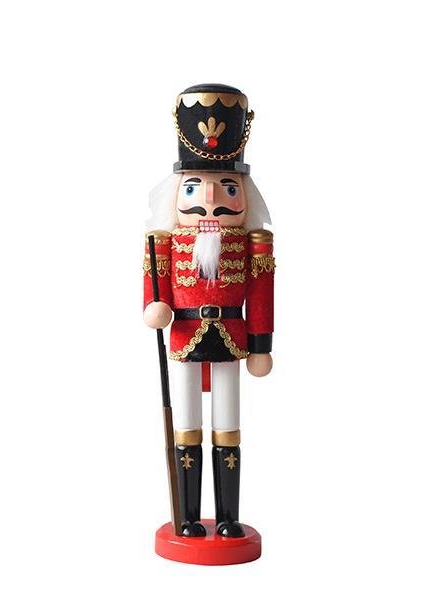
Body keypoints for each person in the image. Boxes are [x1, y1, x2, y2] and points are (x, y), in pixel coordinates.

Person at [143, 84, 274, 538]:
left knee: (228, 425)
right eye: (194, 186)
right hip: (183, 337)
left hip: (233, 339)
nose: (210, 199)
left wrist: (260, 345)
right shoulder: (164, 241)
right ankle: (186, 517)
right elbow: (155, 290)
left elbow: (261, 295)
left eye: (227, 187)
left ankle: (227, 517)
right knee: (186, 424)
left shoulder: (253, 243)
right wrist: (155, 306)